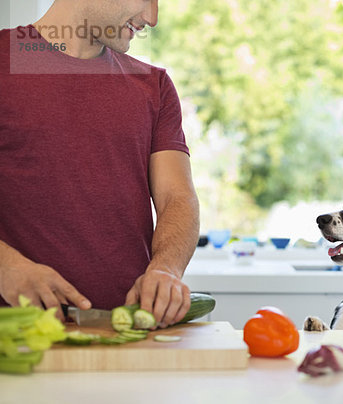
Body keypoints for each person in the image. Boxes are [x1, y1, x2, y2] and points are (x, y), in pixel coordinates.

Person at [0, 0, 200, 328]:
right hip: (16, 342)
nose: (152, 18)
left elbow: (176, 199)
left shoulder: (155, 87)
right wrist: (5, 266)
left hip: (129, 334)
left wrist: (166, 268)